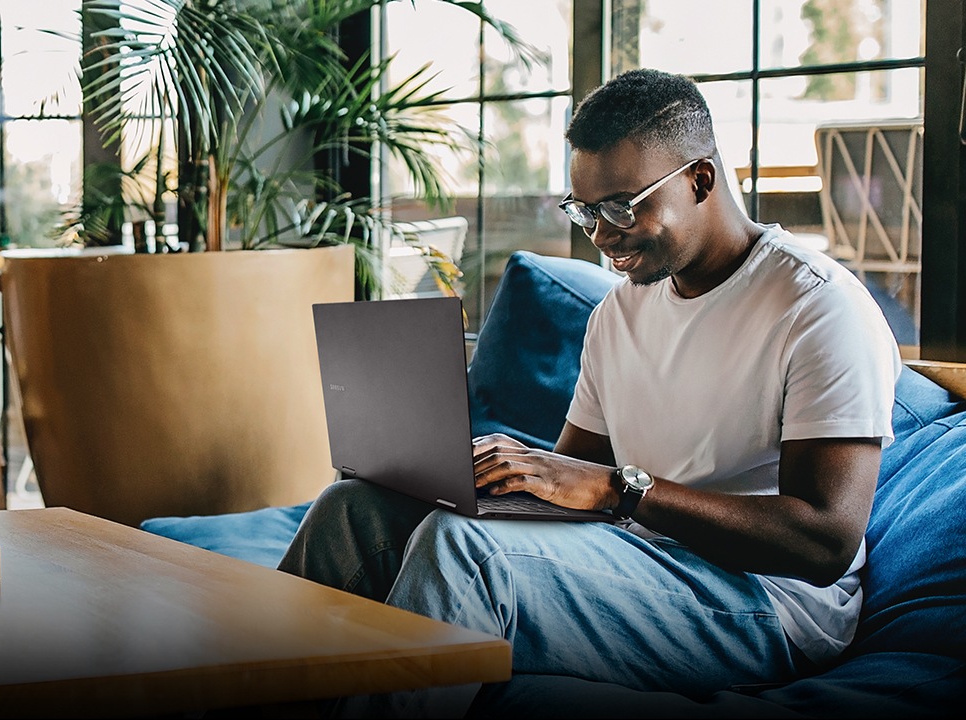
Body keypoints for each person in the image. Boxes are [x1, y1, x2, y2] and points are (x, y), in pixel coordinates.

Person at [277, 68, 903, 716]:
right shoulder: (620, 314)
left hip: (771, 604)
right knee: (353, 510)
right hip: (633, 554)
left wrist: (619, 489)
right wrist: (468, 479)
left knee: (465, 554)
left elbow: (824, 541)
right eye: (583, 211)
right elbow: (567, 479)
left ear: (701, 180)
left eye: (621, 207)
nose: (601, 236)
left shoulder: (817, 308)